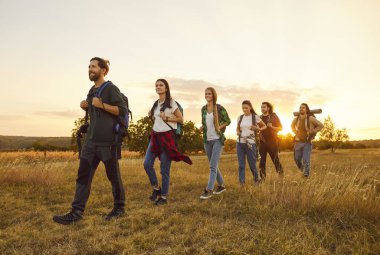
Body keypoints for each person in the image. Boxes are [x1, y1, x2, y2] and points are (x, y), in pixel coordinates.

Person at [53, 57, 127, 224]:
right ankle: (76, 212)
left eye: (93, 67)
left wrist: (102, 105)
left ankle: (119, 209)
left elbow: (122, 110)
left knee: (113, 177)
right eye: (89, 67)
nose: (90, 69)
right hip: (91, 142)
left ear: (103, 70)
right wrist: (86, 106)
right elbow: (95, 115)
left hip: (108, 143)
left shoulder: (111, 89)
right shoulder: (91, 91)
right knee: (83, 177)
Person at [144, 79, 192, 205]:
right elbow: (155, 118)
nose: (158, 87)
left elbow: (181, 120)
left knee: (164, 169)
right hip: (155, 136)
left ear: (166, 88)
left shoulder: (171, 102)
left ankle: (163, 197)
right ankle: (156, 189)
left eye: (161, 85)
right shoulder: (156, 103)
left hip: (167, 138)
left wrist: (167, 118)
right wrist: (151, 114)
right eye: (156, 85)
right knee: (147, 164)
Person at [199, 87, 231, 199]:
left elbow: (228, 120)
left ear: (213, 95)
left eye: (209, 93)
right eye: (206, 93)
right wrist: (202, 127)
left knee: (213, 165)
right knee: (213, 165)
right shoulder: (203, 109)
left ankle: (209, 190)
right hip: (207, 140)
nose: (207, 95)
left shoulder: (219, 108)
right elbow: (205, 122)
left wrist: (219, 126)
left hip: (217, 140)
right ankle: (221, 186)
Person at [236, 100, 267, 185]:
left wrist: (258, 129)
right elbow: (237, 128)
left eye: (246, 108)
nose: (244, 109)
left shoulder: (255, 117)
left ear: (250, 107)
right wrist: (238, 131)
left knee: (252, 164)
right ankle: (242, 183)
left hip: (251, 143)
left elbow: (265, 126)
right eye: (243, 108)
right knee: (241, 165)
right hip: (240, 142)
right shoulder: (240, 117)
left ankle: (257, 180)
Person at [291, 103, 324, 177]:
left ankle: (306, 175)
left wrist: (313, 131)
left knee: (306, 160)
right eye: (300, 107)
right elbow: (292, 125)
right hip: (298, 142)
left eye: (303, 107)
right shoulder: (296, 119)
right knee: (297, 160)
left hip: (307, 142)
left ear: (306, 110)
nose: (301, 109)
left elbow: (321, 125)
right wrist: (295, 131)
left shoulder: (310, 118)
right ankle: (303, 170)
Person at [259, 102, 284, 179]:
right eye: (261, 107)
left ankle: (281, 176)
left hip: (272, 142)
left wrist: (272, 127)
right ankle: (262, 179)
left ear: (268, 108)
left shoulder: (274, 116)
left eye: (264, 107)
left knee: (275, 160)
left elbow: (280, 128)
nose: (262, 109)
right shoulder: (259, 117)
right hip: (262, 142)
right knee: (262, 162)